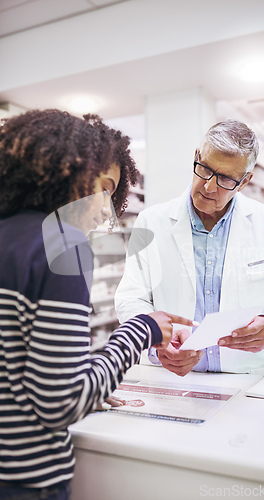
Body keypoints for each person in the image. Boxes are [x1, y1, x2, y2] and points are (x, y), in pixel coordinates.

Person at [0, 109, 194, 499]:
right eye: (104, 188)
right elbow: (60, 406)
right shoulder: (62, 245)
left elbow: (15, 363)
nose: (107, 210)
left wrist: (84, 376)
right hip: (26, 482)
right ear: (64, 168)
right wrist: (142, 329)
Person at [115, 119, 264, 377]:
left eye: (225, 179)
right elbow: (130, 297)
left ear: (244, 181)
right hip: (171, 378)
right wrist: (155, 339)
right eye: (205, 169)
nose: (209, 187)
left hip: (245, 378)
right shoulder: (151, 221)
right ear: (197, 156)